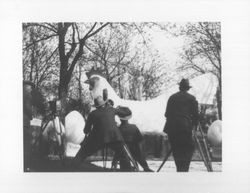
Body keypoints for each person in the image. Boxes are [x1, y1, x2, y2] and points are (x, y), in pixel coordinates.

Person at [73, 96, 132, 171]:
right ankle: (127, 170)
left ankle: (72, 167)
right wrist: (119, 108)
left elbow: (86, 131)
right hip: (114, 138)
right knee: (123, 154)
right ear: (104, 103)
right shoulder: (111, 109)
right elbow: (127, 113)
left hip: (98, 139)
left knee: (83, 152)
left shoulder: (92, 114)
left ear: (96, 106)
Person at [164, 78, 199, 172]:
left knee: (176, 150)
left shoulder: (172, 97)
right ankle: (184, 169)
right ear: (188, 88)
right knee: (188, 148)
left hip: (171, 128)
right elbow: (196, 115)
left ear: (180, 87)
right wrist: (194, 125)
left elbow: (166, 114)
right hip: (184, 128)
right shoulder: (191, 98)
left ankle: (180, 169)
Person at [23, 80, 45, 171]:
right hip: (25, 122)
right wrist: (32, 116)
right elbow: (28, 108)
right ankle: (26, 166)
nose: (31, 89)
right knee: (27, 144)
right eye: (30, 87)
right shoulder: (27, 95)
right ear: (26, 87)